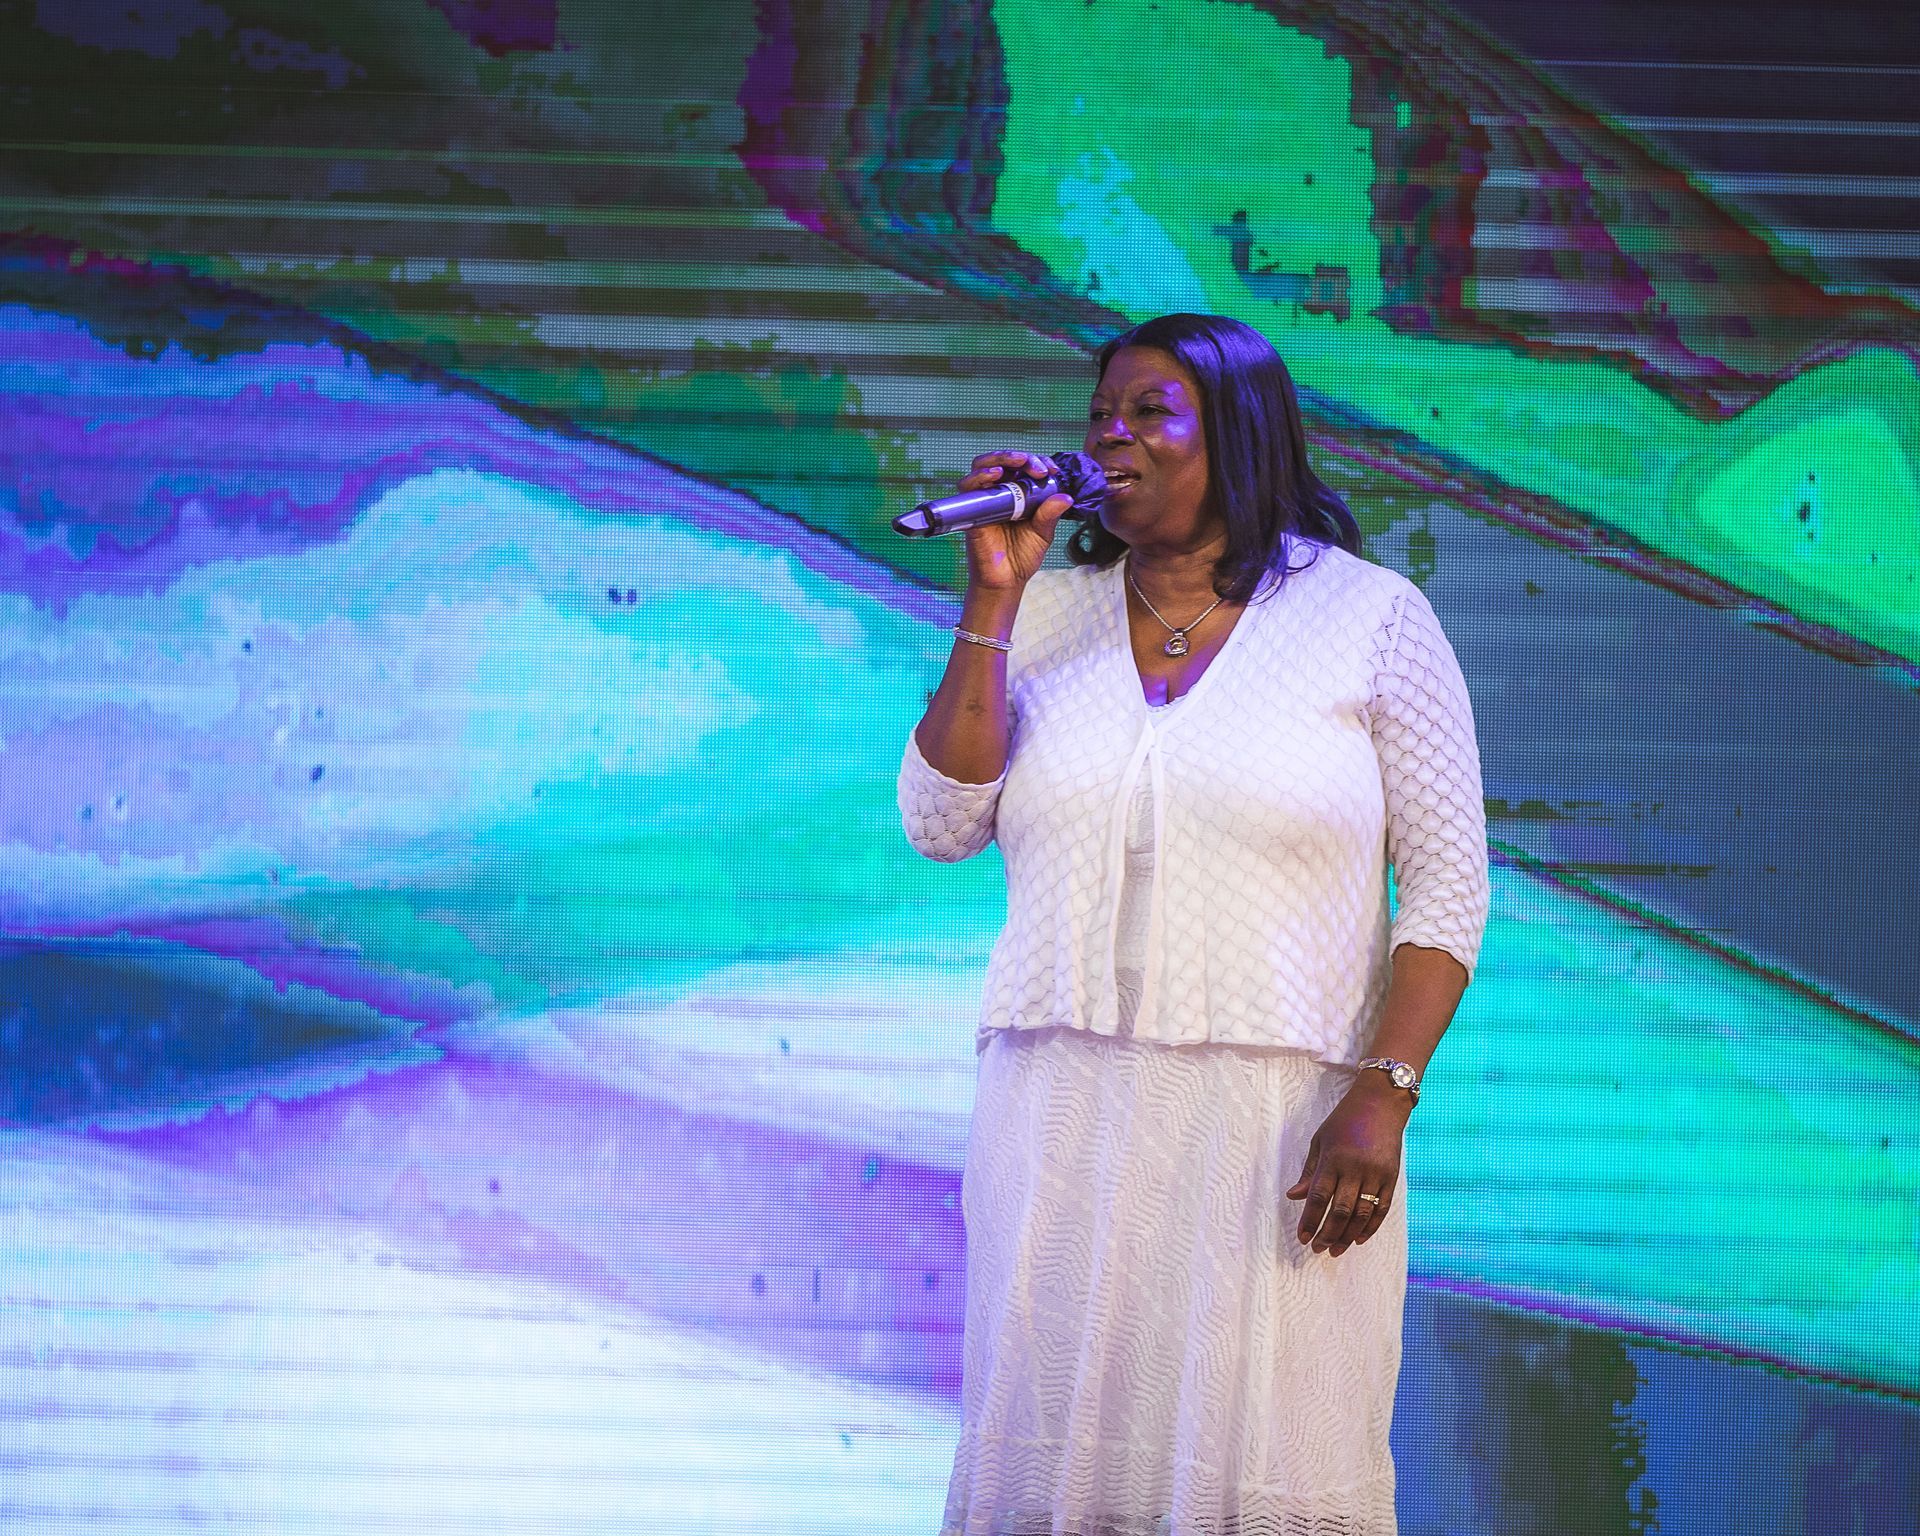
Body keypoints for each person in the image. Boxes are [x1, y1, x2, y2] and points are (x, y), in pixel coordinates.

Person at [897, 313, 1489, 1536]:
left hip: (1280, 1129)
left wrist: (1382, 1092)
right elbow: (942, 819)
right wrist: (994, 598)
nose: (1111, 437)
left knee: (1258, 1452)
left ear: (1239, 433)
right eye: (1099, 414)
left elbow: (1447, 886)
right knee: (1062, 1457)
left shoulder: (1370, 618)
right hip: (1060, 1109)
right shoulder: (1049, 616)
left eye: (1149, 412)